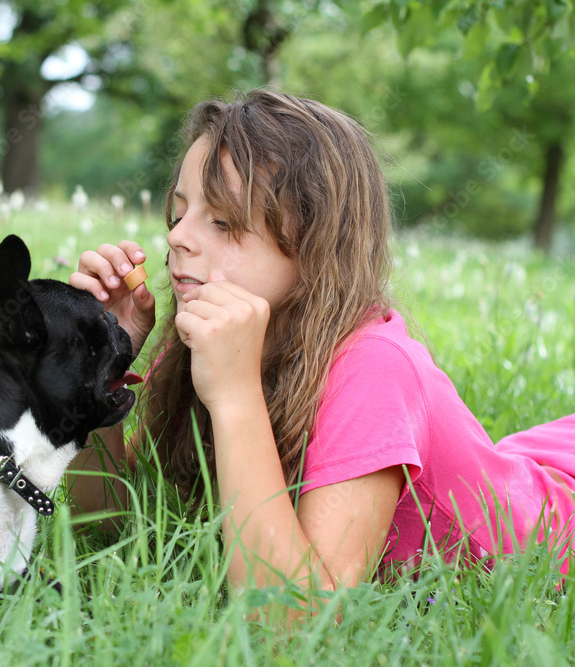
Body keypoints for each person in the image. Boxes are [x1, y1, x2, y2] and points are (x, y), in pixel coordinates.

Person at [68, 89, 575, 598]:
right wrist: (96, 368)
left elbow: (293, 620)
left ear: (316, 244)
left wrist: (236, 397)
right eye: (179, 213)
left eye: (223, 220)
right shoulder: (209, 337)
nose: (178, 238)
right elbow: (113, 519)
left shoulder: (375, 368)